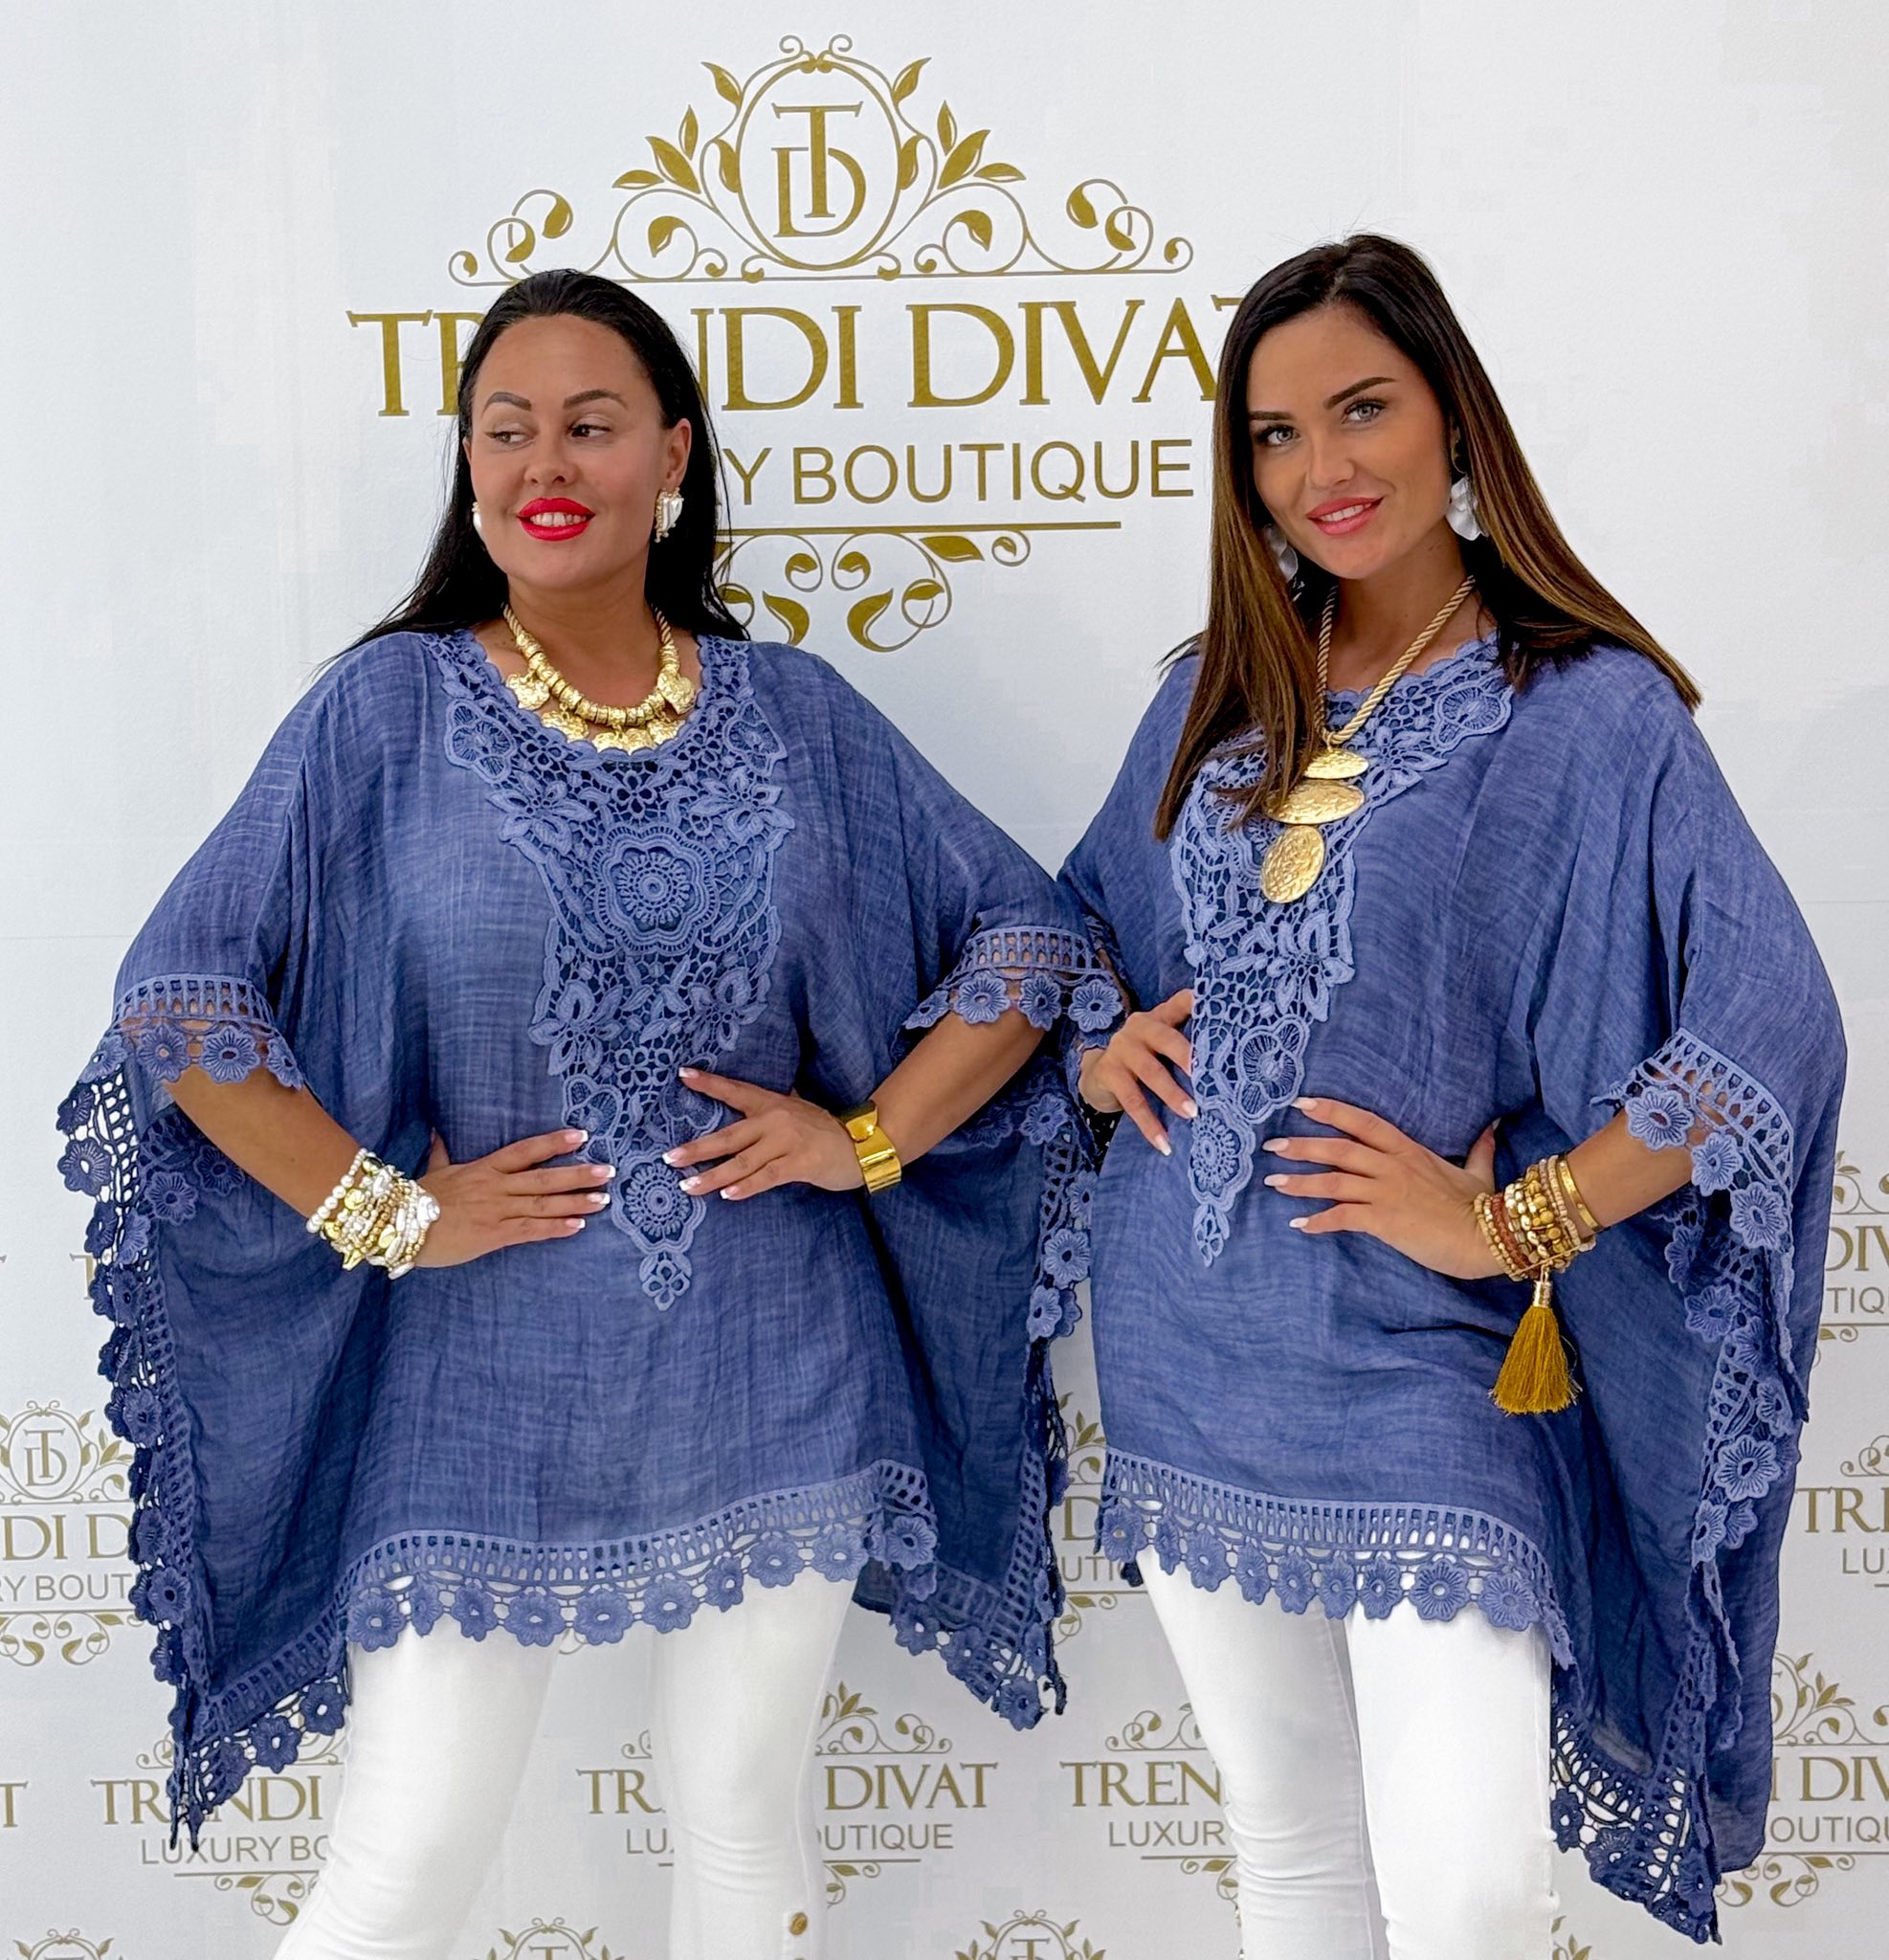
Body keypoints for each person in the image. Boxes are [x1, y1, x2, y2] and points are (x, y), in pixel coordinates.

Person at [56, 268, 1104, 1960]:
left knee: (742, 1819)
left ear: (672, 454)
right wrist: (387, 1212)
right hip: (480, 1370)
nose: (545, 463)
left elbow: (1027, 939)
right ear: (468, 464)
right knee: (407, 1850)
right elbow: (178, 999)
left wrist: (864, 1140)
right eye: (506, 429)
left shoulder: (796, 715)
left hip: (774, 1353)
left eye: (591, 424)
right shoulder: (386, 713)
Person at [1063, 234, 1843, 1954]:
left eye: (1361, 410)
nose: (1321, 469)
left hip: (1431, 1353)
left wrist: (1517, 1222)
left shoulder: (1581, 710)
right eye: (1274, 435)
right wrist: (1093, 1043)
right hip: (1190, 1335)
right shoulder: (1212, 694)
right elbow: (1074, 929)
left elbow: (1767, 1019)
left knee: (1471, 1890)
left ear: (1452, 418)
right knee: (1291, 1851)